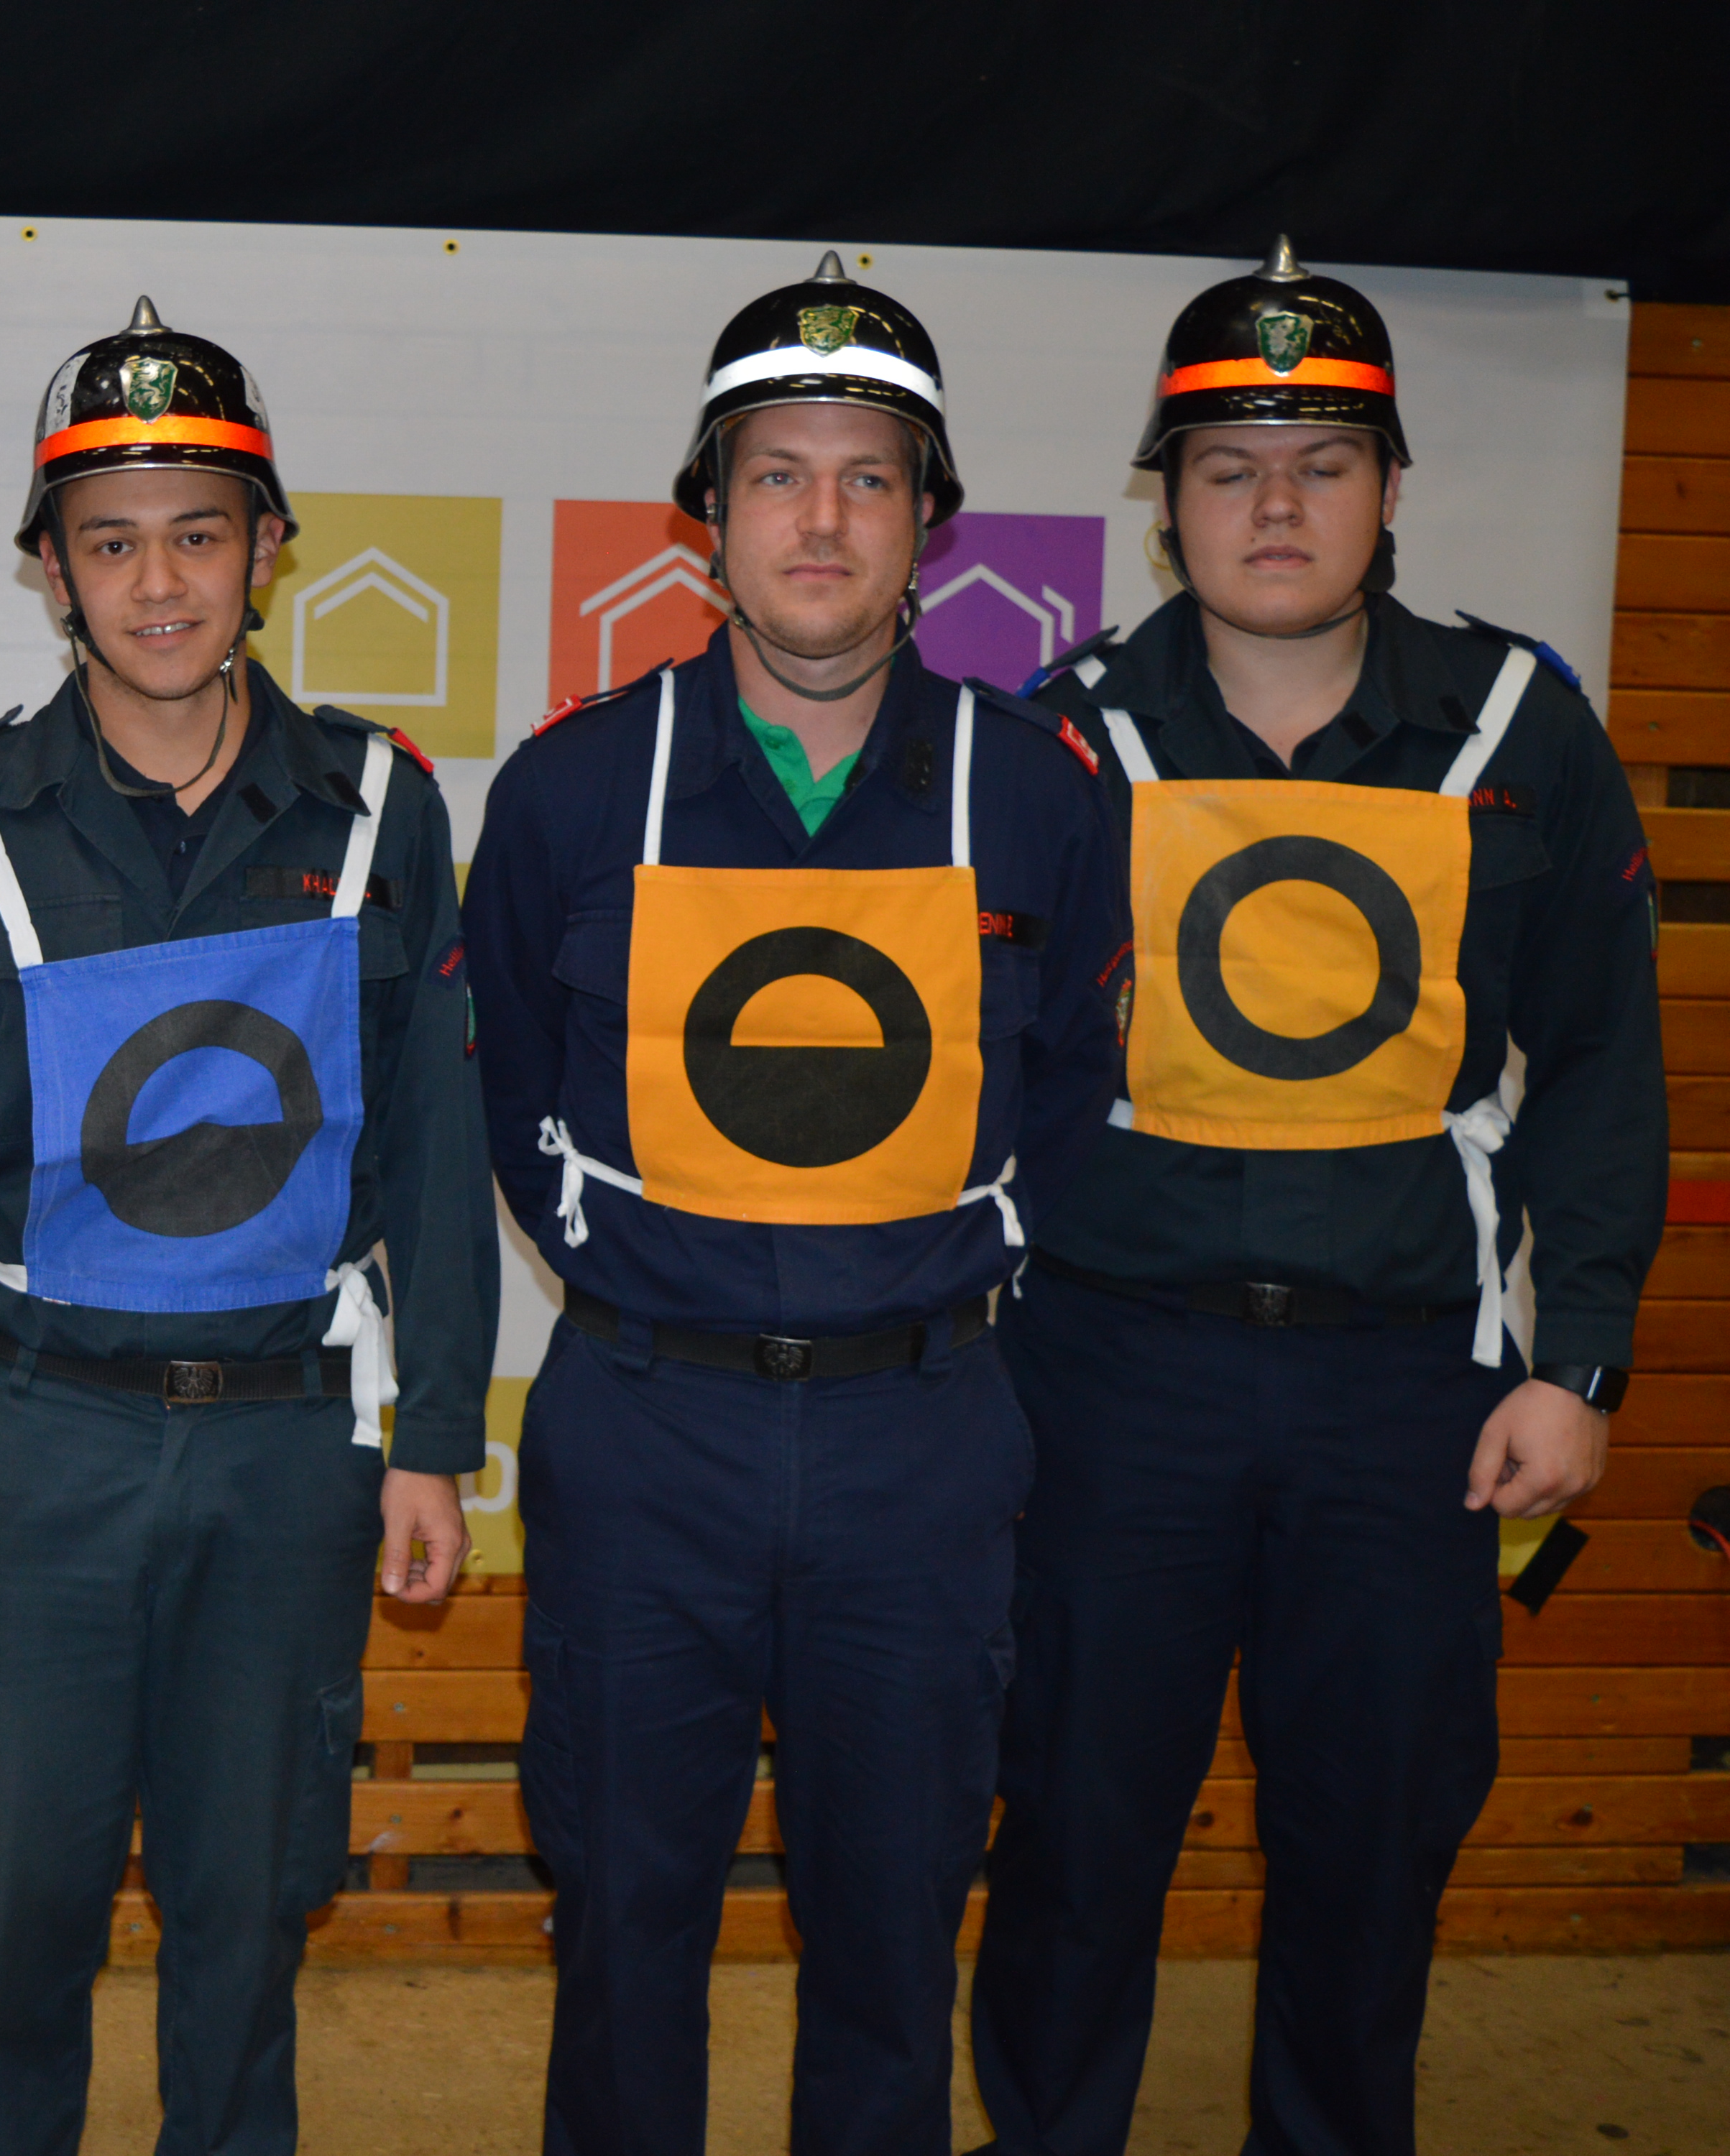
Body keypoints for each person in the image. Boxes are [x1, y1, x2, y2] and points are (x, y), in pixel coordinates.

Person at [968, 238, 1666, 2156]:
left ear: (1391, 485)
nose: (1275, 508)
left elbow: (1603, 1069)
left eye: (1322, 463)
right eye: (1230, 467)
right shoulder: (1054, 738)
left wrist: (1579, 1365)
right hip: (1110, 1386)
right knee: (1074, 1835)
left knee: (1374, 1854)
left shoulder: (1521, 728)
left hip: (1407, 1399)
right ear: (1166, 499)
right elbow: (976, 1077)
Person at [463, 254, 1128, 2154]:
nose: (820, 520)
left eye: (866, 478)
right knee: (625, 1929)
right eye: (777, 474)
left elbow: (1073, 1094)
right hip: (644, 1433)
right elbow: (513, 1082)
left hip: (924, 1441)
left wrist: (921, 1287)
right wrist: (662, 1284)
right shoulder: (575, 790)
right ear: (710, 512)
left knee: (895, 1945)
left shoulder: (1038, 793)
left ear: (928, 523)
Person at [0, 296, 495, 2156]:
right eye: (111, 540)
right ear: (49, 568)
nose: (158, 583)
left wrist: (436, 1440)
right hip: (35, 1448)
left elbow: (437, 1149)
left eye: (199, 534)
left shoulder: (380, 806)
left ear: (268, 549)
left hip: (291, 1454)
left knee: (249, 1914)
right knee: (19, 1915)